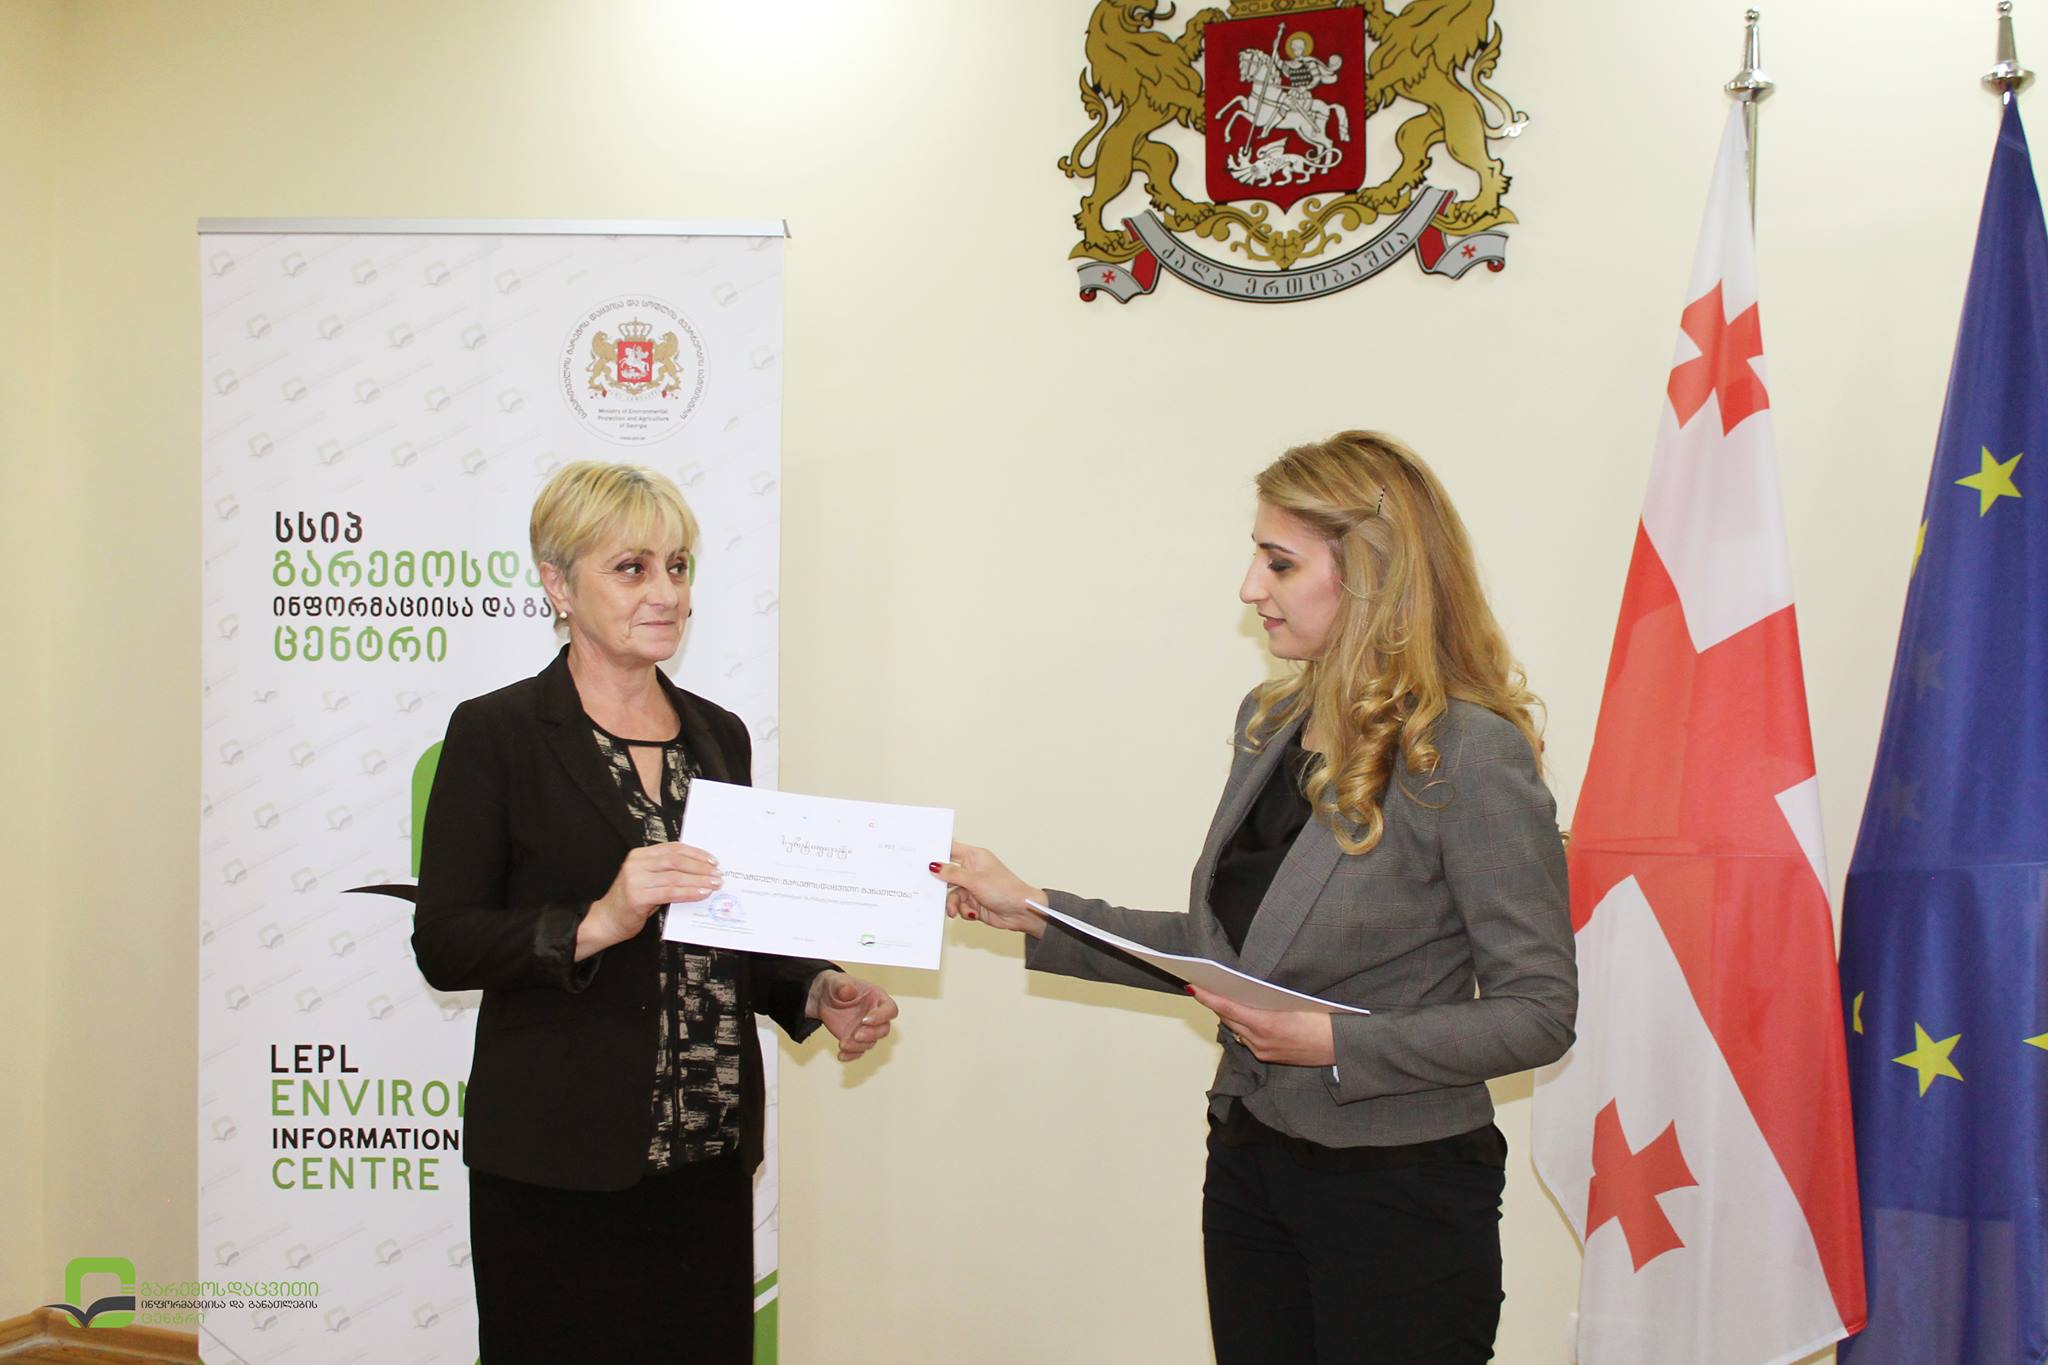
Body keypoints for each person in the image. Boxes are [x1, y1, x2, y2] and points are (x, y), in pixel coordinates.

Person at [936, 431, 1575, 1364]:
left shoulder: (1470, 753)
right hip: (1250, 1156)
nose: (1249, 588)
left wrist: (1335, 1042)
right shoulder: (1269, 720)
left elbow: (1539, 1012)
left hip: (1401, 1192)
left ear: (1371, 574)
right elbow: (1224, 954)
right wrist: (1034, 908)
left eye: (1279, 562)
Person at [413, 461, 899, 1364]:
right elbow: (444, 941)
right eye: (632, 568)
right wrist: (597, 918)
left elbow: (733, 925)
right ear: (558, 584)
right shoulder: (497, 733)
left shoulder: (719, 735)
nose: (667, 592)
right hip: (557, 1158)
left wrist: (814, 989)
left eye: (678, 566)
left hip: (705, 1157)